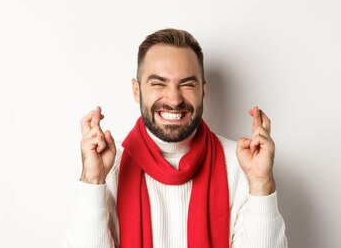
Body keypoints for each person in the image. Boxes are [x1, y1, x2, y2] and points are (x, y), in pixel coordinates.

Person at [63, 29, 287, 248]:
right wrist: (92, 181)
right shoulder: (107, 168)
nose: (174, 98)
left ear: (203, 90)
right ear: (136, 90)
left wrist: (261, 182)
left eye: (187, 84)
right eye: (159, 83)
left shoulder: (242, 165)